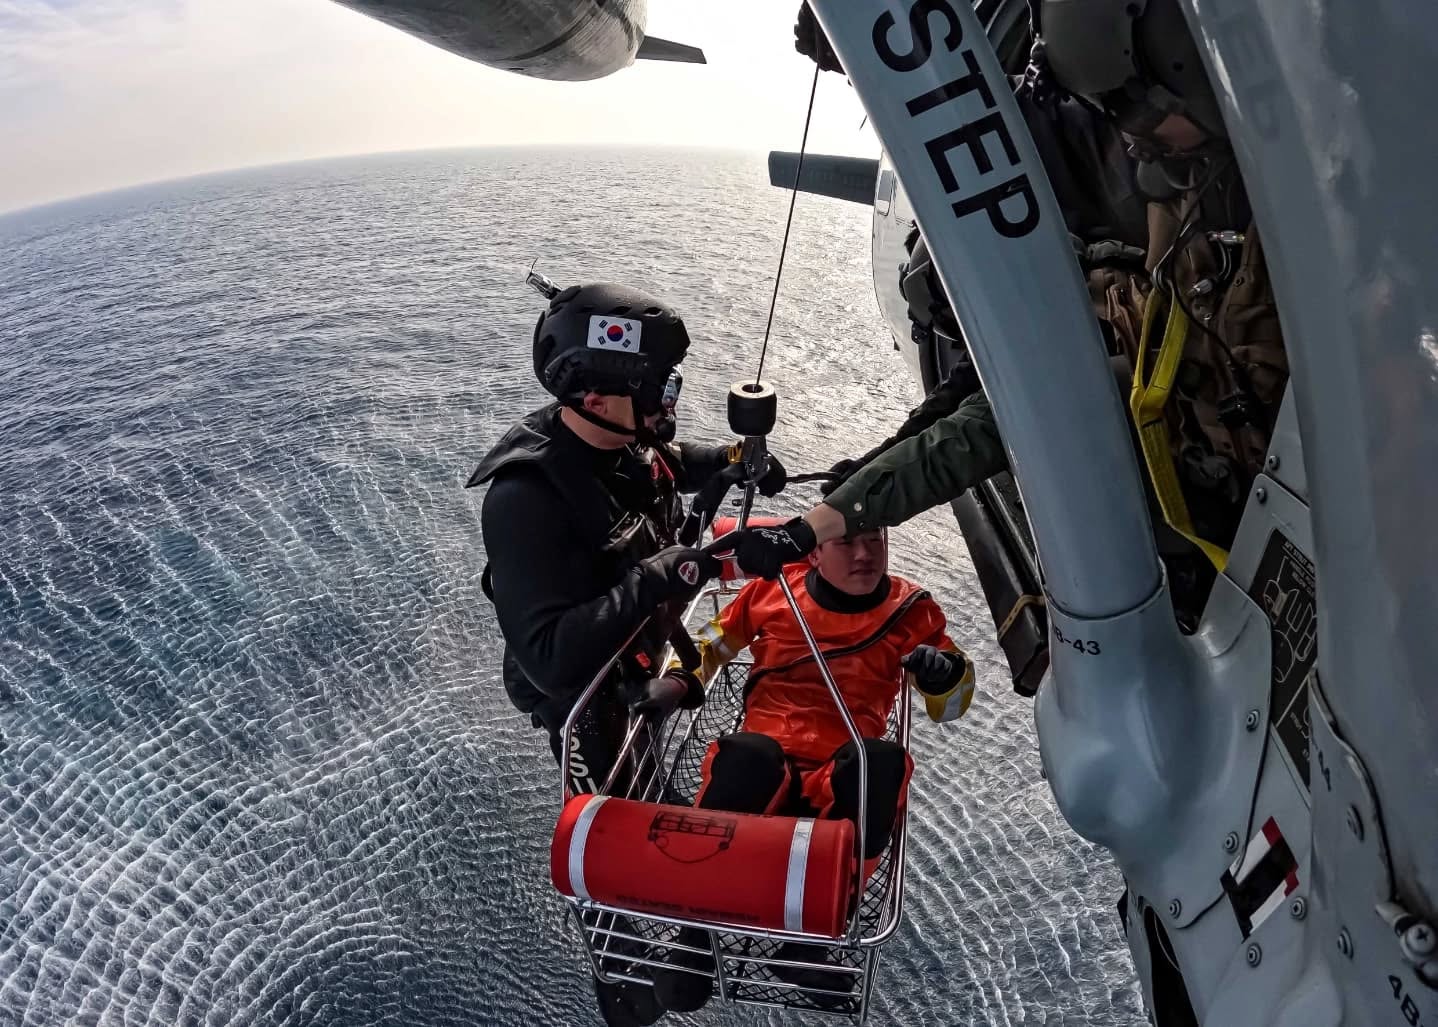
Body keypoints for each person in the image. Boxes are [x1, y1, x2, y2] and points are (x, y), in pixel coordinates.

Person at [739, 0, 1288, 623]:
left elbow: (1007, 412)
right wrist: (876, 470)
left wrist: (835, 514)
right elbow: (988, 394)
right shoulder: (1169, 226)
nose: (1135, 140)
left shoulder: (1271, 232)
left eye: (1136, 114)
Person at [467, 280, 785, 1026]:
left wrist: (735, 459)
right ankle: (627, 984)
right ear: (594, 392)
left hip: (643, 664)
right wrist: (656, 577)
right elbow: (549, 656)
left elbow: (675, 461)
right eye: (656, 386)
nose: (670, 399)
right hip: (588, 702)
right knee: (614, 831)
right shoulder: (525, 496)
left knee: (657, 804)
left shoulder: (626, 443)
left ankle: (691, 923)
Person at [649, 525, 974, 1012]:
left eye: (875, 540)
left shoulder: (914, 610)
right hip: (765, 760)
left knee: (880, 763)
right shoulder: (773, 589)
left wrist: (944, 675)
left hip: (838, 774)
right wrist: (679, 680)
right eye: (846, 542)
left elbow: (949, 707)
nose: (865, 554)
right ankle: (695, 935)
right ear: (816, 551)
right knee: (747, 758)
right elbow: (713, 641)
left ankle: (812, 936)